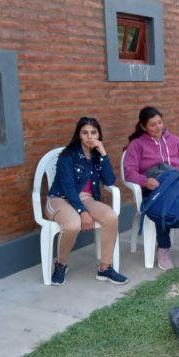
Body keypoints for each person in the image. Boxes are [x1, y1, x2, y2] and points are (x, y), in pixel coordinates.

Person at [45, 117, 128, 286]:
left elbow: (110, 181)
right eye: (85, 133)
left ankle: (105, 268)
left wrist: (103, 154)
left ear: (98, 135)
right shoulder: (67, 156)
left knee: (111, 217)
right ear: (79, 135)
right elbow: (68, 187)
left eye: (93, 132)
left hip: (86, 198)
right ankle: (61, 264)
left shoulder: (98, 156)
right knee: (73, 224)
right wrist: (83, 212)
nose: (89, 137)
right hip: (60, 198)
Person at [123, 106, 179, 271]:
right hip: (154, 187)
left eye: (160, 122)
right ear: (143, 127)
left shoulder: (174, 140)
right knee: (163, 204)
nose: (158, 127)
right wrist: (145, 181)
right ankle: (163, 250)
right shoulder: (136, 145)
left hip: (176, 184)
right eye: (153, 125)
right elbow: (129, 173)